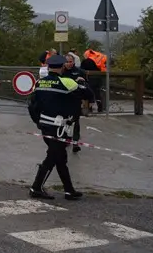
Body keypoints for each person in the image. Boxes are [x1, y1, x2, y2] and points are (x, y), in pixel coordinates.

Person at [27, 54, 84, 201]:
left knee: (60, 157)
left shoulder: (39, 83)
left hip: (45, 125)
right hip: (58, 127)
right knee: (53, 156)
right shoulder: (66, 82)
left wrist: (38, 122)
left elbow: (32, 106)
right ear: (62, 66)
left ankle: (69, 190)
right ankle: (36, 187)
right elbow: (87, 95)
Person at [62, 54, 95, 153]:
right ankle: (66, 138)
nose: (68, 64)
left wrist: (91, 100)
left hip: (76, 99)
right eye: (66, 62)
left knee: (76, 120)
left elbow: (87, 87)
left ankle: (75, 142)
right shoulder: (61, 72)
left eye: (70, 61)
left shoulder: (80, 71)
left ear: (74, 62)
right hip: (63, 99)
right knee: (65, 120)